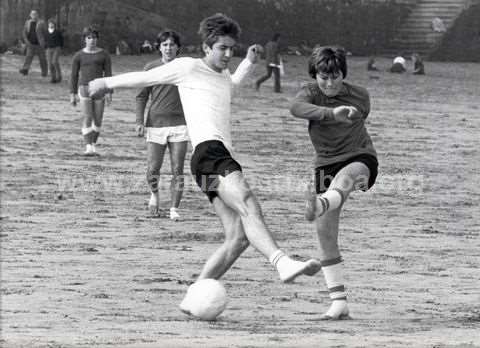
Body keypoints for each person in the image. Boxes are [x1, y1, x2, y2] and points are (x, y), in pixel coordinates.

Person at [88, 13, 321, 313]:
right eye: (222, 48)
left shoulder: (223, 75)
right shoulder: (187, 67)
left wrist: (248, 62)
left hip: (207, 164)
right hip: (210, 153)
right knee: (247, 198)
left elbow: (230, 85)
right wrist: (104, 82)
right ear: (207, 47)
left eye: (231, 49)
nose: (227, 54)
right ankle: (282, 261)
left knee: (238, 238)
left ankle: (192, 298)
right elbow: (144, 78)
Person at [290, 46, 379, 320]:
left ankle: (322, 202)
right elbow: (296, 108)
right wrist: (331, 113)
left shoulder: (360, 95)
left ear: (343, 74)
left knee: (346, 177)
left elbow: (362, 113)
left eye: (335, 76)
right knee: (325, 234)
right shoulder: (309, 92)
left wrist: (345, 113)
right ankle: (339, 302)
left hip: (360, 157)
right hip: (324, 163)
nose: (329, 83)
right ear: (315, 75)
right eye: (323, 77)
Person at [135, 30, 189, 220]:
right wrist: (139, 122)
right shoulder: (151, 68)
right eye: (165, 44)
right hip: (155, 124)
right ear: (159, 47)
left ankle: (174, 209)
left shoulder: (185, 68)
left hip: (181, 125)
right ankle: (155, 195)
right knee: (153, 169)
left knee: (177, 169)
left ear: (178, 48)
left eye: (172, 44)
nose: (168, 48)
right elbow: (141, 96)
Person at [70, 26, 112, 155]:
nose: (92, 40)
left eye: (94, 37)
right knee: (88, 116)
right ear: (84, 39)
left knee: (98, 119)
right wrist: (72, 93)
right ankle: (88, 146)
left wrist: (109, 91)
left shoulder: (104, 54)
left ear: (97, 39)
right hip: (84, 88)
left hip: (99, 89)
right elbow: (74, 75)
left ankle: (93, 144)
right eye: (89, 38)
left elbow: (109, 74)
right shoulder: (78, 55)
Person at [19, 9, 48, 77]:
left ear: (38, 15)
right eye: (32, 14)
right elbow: (24, 32)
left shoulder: (42, 22)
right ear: (30, 15)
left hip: (40, 45)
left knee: (42, 60)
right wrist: (26, 41)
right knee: (28, 58)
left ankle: (44, 73)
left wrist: (45, 42)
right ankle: (25, 70)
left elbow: (45, 33)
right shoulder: (27, 22)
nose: (34, 15)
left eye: (35, 14)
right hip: (30, 44)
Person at [45, 18, 64, 83]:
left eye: (52, 23)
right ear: (48, 24)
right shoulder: (46, 32)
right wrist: (46, 46)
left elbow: (61, 40)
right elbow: (45, 40)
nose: (51, 24)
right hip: (49, 49)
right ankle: (53, 78)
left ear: (54, 24)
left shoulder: (57, 31)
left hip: (56, 48)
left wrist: (60, 47)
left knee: (54, 62)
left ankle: (59, 77)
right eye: (50, 23)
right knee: (50, 64)